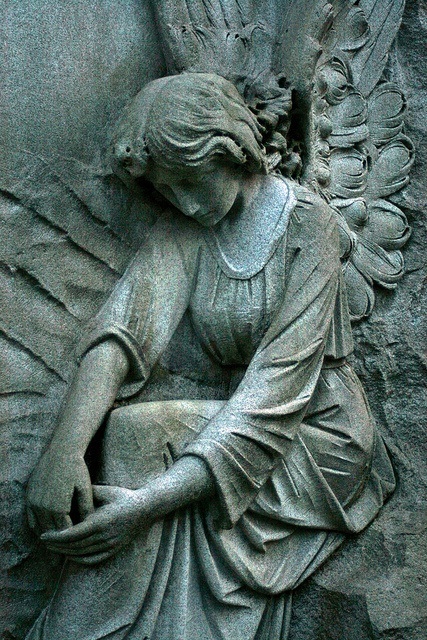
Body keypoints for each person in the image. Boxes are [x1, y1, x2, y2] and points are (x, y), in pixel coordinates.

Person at [25, 73, 395, 640]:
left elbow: (272, 394)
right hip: (239, 417)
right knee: (126, 433)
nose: (184, 203)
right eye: (168, 191)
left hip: (317, 433)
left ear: (230, 150)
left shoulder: (308, 226)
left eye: (189, 183)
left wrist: (142, 508)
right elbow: (122, 333)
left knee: (141, 441)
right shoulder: (189, 229)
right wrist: (65, 448)